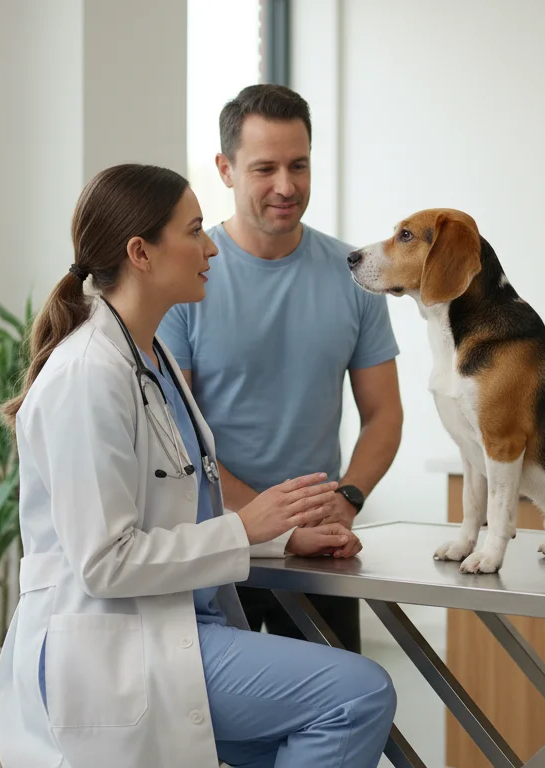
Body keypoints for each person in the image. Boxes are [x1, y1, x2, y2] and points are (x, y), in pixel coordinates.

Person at [0, 163, 397, 768]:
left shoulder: (148, 359)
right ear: (141, 253)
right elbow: (106, 564)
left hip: (173, 626)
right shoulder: (88, 377)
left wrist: (284, 536)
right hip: (115, 649)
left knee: (314, 728)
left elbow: (179, 512)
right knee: (358, 695)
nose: (211, 248)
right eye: (194, 231)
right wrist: (250, 526)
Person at [159, 84, 403, 654]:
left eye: (299, 165)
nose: (286, 187)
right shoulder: (186, 282)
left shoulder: (356, 275)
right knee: (216, 738)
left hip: (322, 553)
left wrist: (348, 500)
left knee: (339, 718)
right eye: (264, 168)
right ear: (225, 169)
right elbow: (178, 439)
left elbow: (385, 414)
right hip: (218, 548)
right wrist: (274, 524)